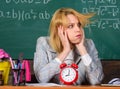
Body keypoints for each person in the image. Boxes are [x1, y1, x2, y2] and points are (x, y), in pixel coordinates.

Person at [33, 8, 104, 85]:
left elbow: (96, 81)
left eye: (79, 25)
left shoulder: (89, 44)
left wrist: (82, 50)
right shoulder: (44, 43)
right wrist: (65, 51)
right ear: (59, 30)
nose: (78, 29)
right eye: (71, 26)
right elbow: (41, 78)